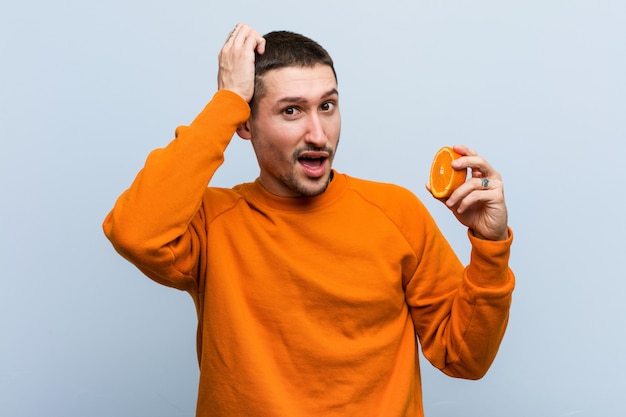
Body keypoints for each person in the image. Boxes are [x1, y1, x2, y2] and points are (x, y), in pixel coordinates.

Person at [103, 23, 514, 417]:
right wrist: (226, 101)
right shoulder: (213, 223)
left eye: (327, 106)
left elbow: (465, 358)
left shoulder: (396, 213)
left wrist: (490, 247)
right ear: (245, 123)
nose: (318, 133)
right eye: (292, 111)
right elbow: (135, 233)